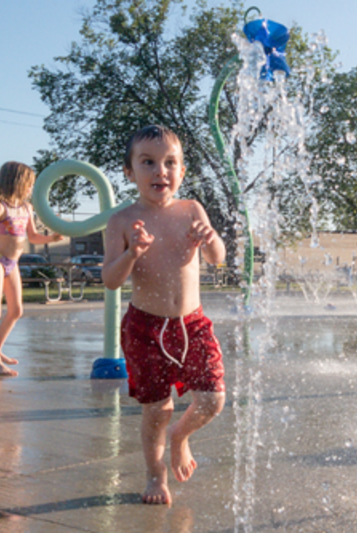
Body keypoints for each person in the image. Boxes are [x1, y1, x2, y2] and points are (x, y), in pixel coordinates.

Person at [103, 125, 227, 505]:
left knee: (212, 399)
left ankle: (180, 436)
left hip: (192, 324)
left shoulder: (191, 210)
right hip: (146, 327)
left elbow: (218, 259)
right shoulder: (122, 221)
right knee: (157, 409)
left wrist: (210, 239)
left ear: (182, 171)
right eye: (148, 162)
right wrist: (132, 254)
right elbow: (110, 280)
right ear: (129, 172)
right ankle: (156, 476)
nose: (161, 171)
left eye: (170, 163)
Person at [0, 162, 63, 377]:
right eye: (29, 184)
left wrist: (52, 238)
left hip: (12, 263)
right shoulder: (1, 207)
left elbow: (33, 237)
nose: (31, 189)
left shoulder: (27, 209)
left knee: (16, 311)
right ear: (17, 183)